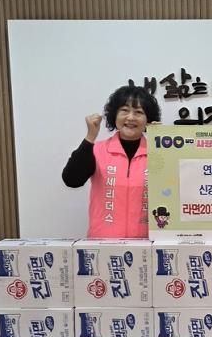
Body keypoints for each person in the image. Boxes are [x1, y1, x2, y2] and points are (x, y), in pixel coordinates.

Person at [62, 85, 161, 238]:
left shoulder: (158, 154)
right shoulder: (97, 149)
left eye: (139, 112)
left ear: (148, 119)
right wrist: (90, 137)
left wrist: (164, 143)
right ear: (114, 115)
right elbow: (72, 180)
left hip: (146, 243)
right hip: (102, 243)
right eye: (124, 110)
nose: (131, 117)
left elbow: (175, 190)